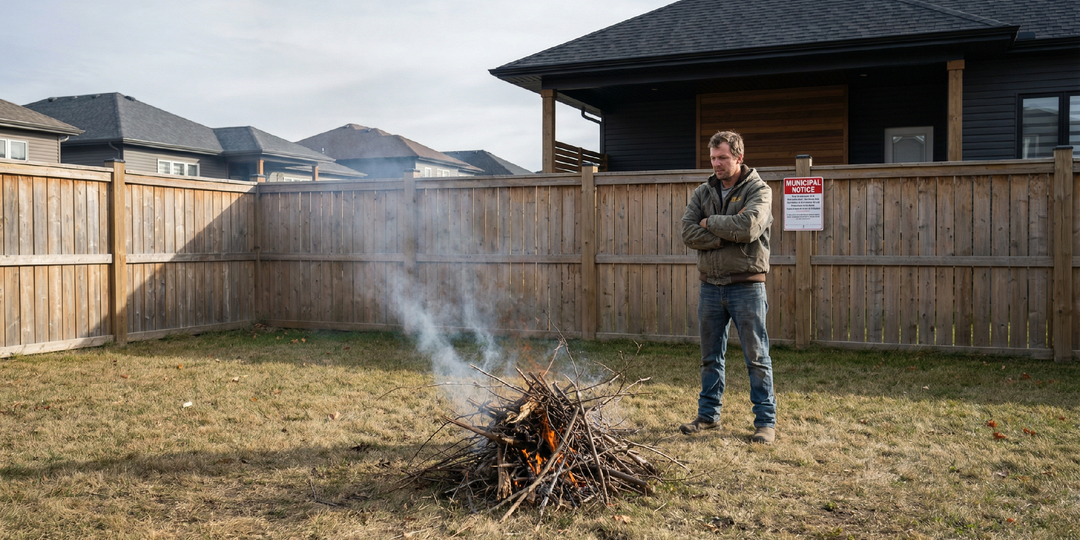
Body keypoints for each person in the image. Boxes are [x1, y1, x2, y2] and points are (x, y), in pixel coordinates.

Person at [679, 130, 776, 444]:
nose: (716, 164)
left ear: (739, 157)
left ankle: (765, 423)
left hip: (747, 288)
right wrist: (725, 233)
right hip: (710, 288)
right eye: (713, 158)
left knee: (757, 357)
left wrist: (710, 223)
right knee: (710, 357)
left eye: (722, 157)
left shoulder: (759, 190)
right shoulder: (702, 192)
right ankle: (708, 416)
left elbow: (748, 227)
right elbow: (687, 232)